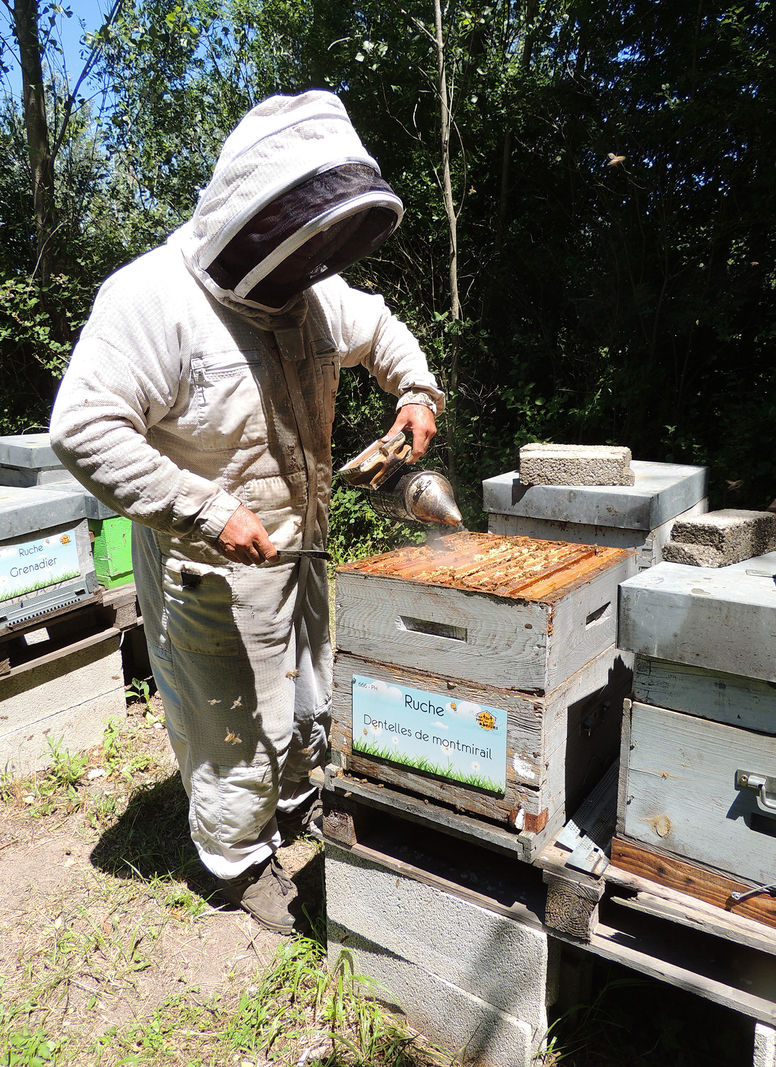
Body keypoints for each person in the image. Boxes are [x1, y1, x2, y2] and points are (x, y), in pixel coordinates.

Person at [50, 91, 444, 934]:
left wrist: (415, 390)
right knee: (228, 717)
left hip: (300, 544)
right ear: (248, 214)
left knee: (305, 687)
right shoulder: (151, 301)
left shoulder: (307, 293)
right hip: (206, 562)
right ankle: (238, 863)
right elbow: (81, 429)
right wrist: (201, 507)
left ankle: (297, 800)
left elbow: (377, 327)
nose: (311, 267)